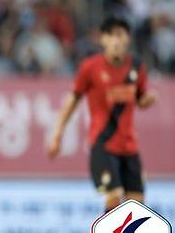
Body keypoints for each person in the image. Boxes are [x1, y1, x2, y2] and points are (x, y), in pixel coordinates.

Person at [48, 17, 157, 213]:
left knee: (137, 206)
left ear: (127, 39)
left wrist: (147, 100)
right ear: (103, 40)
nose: (115, 41)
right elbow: (73, 100)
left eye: (120, 35)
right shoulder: (90, 67)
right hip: (103, 144)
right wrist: (57, 134)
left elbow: (139, 98)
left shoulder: (137, 67)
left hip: (130, 146)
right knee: (113, 197)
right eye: (110, 35)